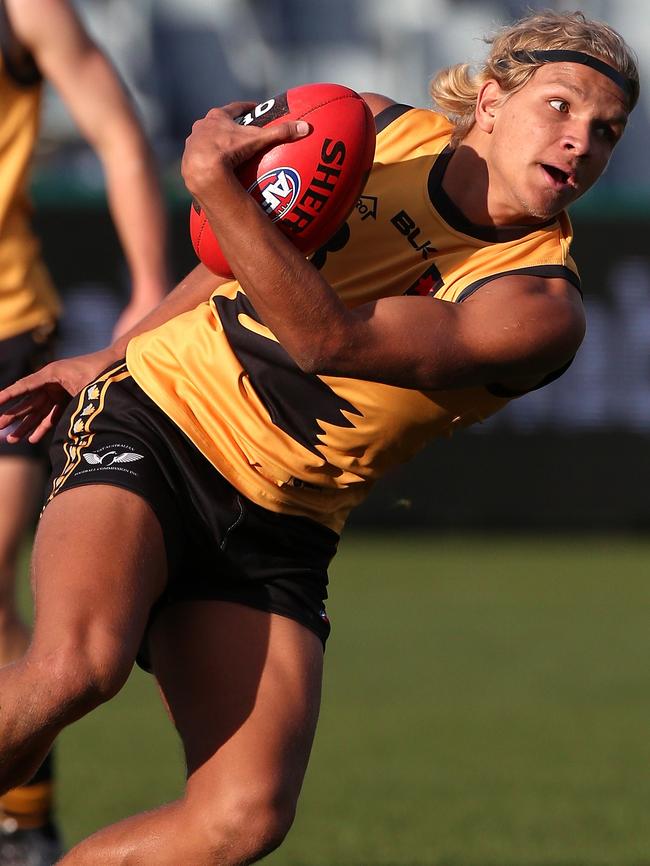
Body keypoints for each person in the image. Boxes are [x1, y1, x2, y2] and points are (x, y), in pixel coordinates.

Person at [0, 9, 638, 865]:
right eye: (560, 107)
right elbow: (232, 259)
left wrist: (219, 190)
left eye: (606, 132)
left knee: (242, 818)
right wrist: (114, 353)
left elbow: (329, 341)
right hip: (160, 418)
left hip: (282, 523)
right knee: (79, 664)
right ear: (489, 103)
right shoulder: (365, 125)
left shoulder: (537, 308)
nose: (580, 144)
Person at [0, 0, 168, 861]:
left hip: (5, 323)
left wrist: (146, 285)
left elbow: (113, 130)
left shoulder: (26, 10)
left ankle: (22, 823)